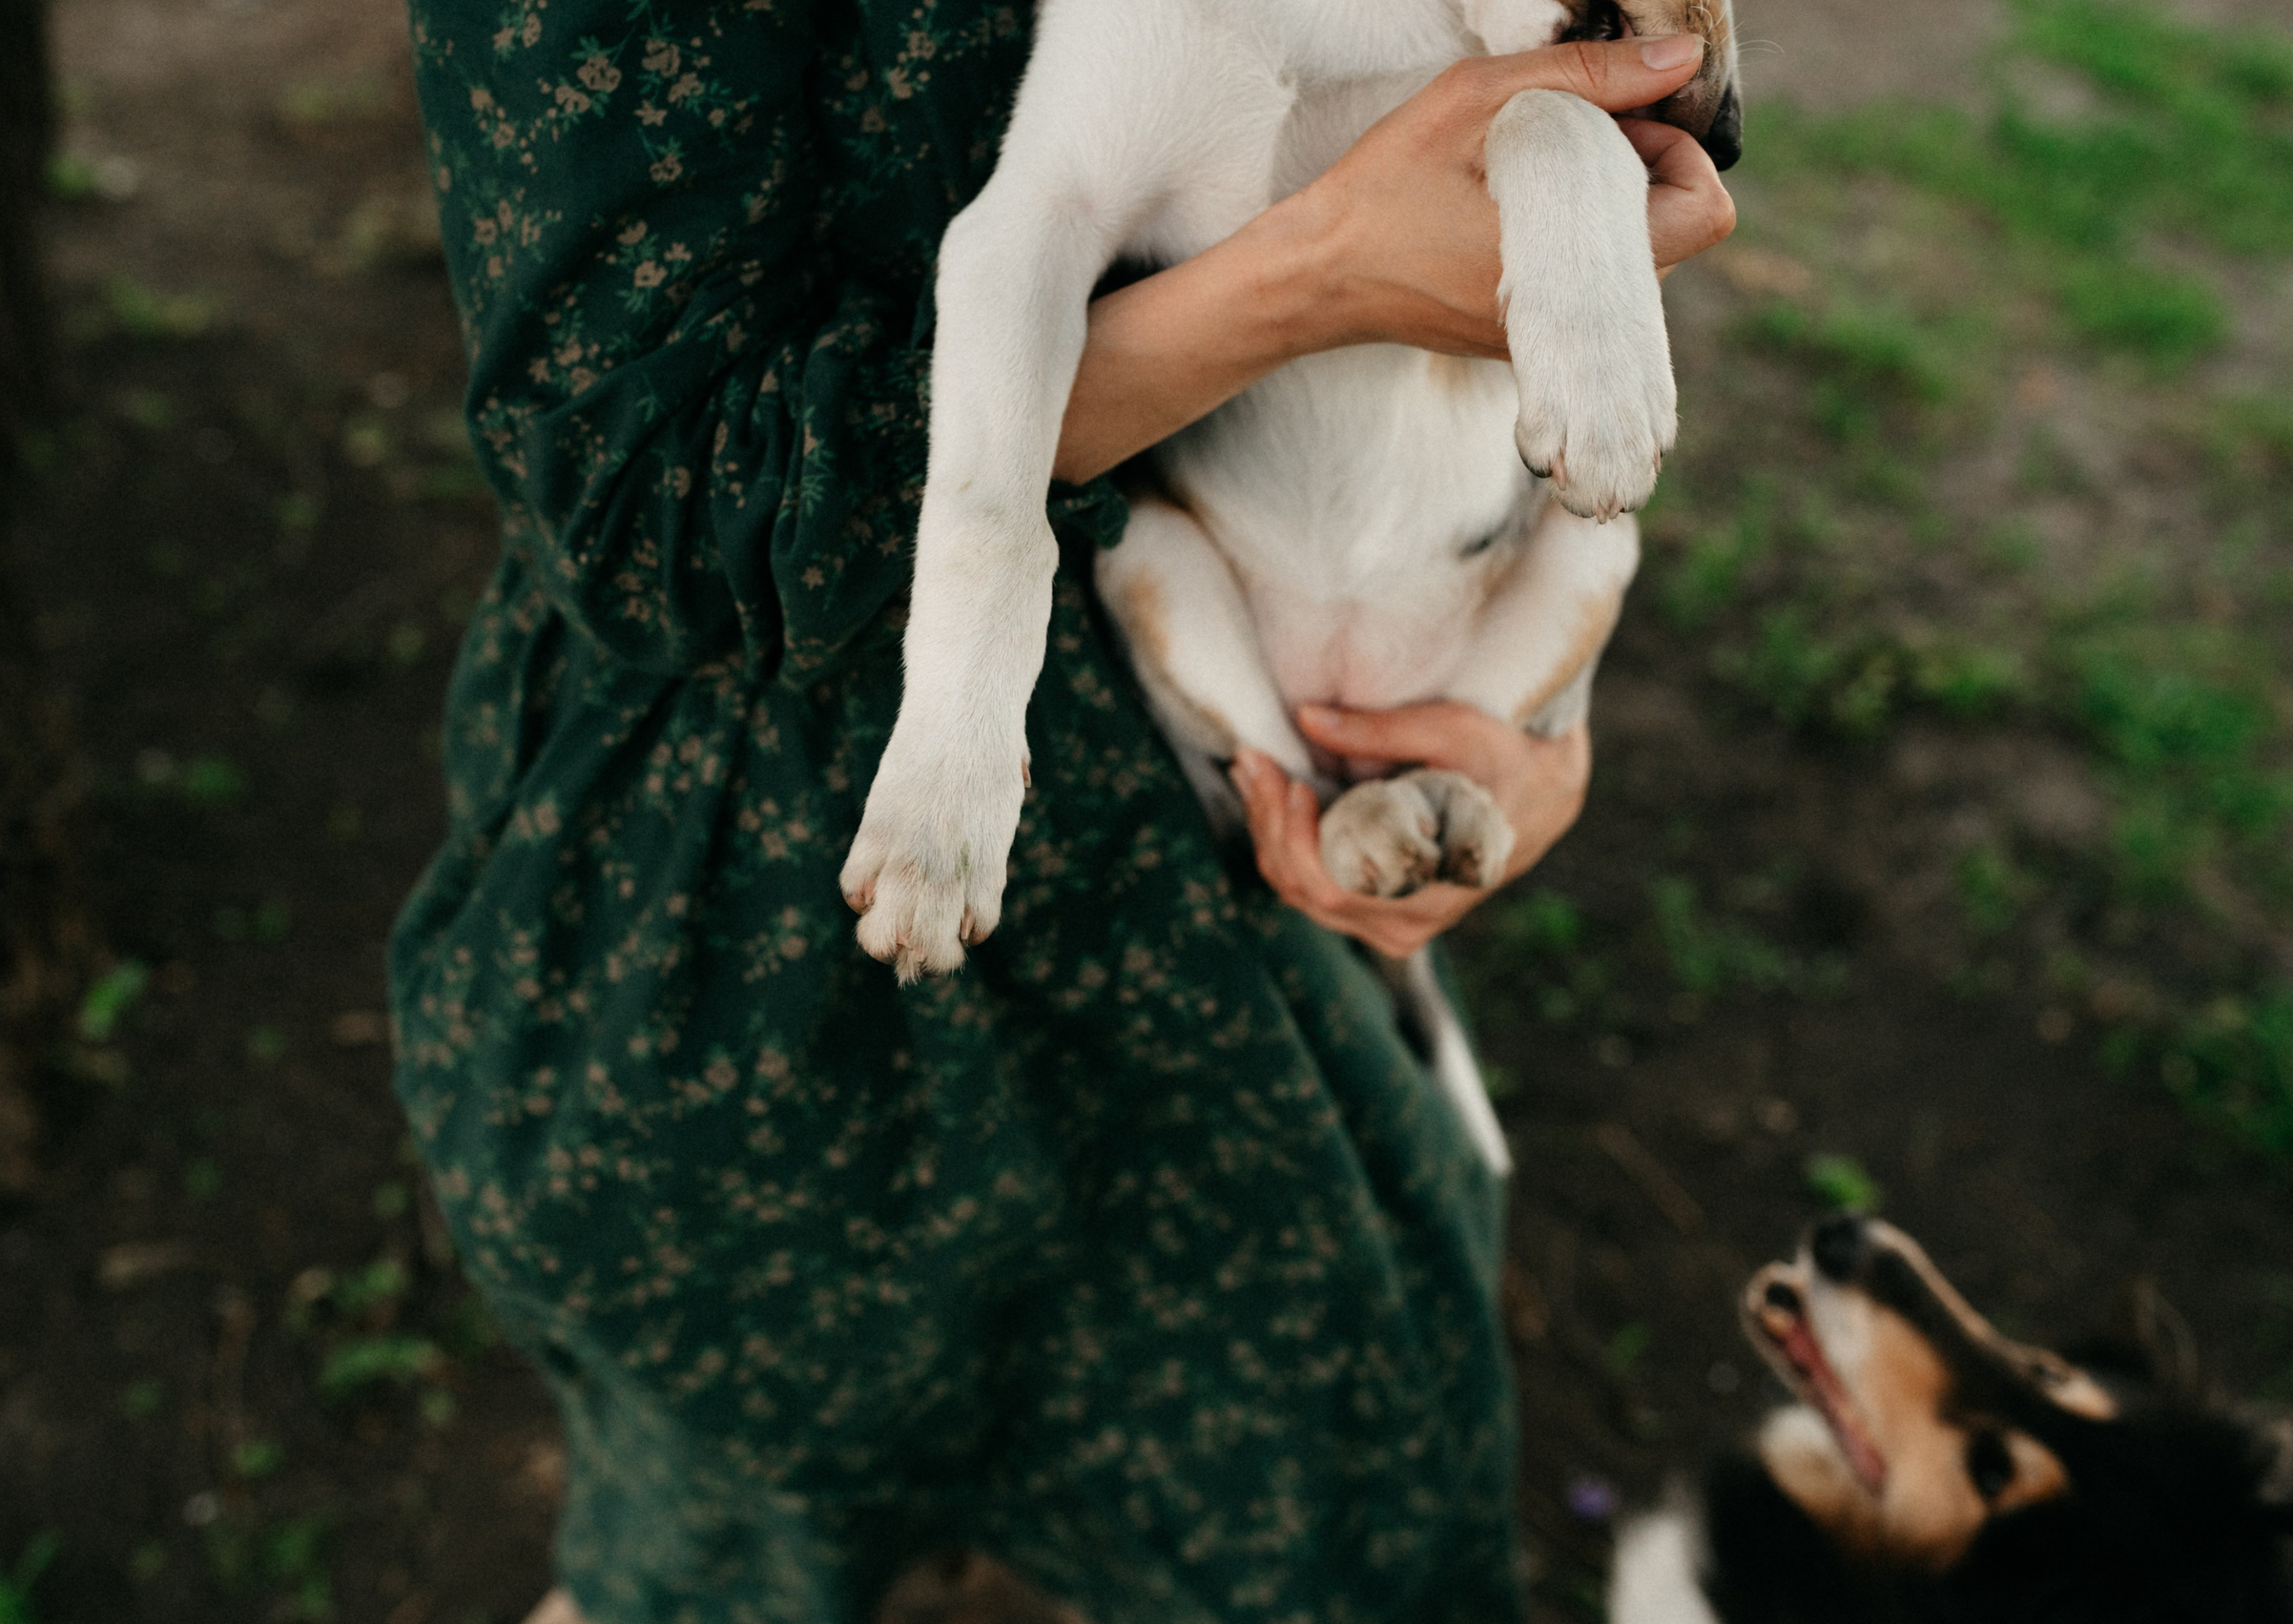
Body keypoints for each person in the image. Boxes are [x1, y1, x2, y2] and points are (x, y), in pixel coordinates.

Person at [389, 4, 1735, 1622]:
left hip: (1217, 812)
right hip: (749, 881)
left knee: (1349, 1511)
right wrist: (1306, 280)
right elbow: (639, 508)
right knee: (716, 1549)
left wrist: (1537, 728)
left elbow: (1666, 101)